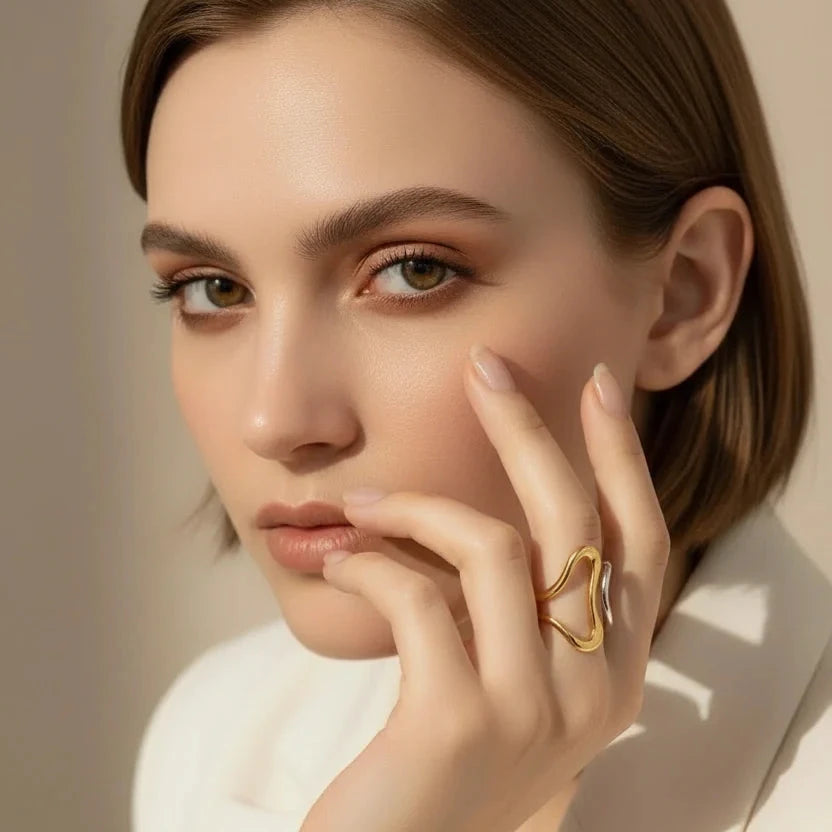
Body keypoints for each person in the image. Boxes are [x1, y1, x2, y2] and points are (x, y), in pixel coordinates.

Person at [120, 1, 832, 829]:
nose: (275, 420)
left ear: (684, 292)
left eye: (414, 272)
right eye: (213, 289)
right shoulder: (215, 733)